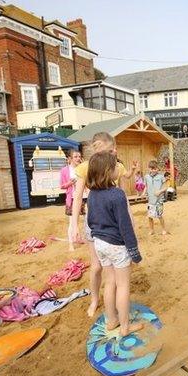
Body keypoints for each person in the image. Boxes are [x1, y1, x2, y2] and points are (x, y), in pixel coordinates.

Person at [72, 132, 137, 317]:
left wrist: (131, 224)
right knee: (97, 266)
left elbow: (122, 198)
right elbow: (77, 197)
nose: (114, 152)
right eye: (110, 149)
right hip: (95, 221)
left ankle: (114, 306)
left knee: (112, 273)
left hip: (113, 222)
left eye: (114, 149)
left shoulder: (116, 166)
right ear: (98, 147)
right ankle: (94, 299)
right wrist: (73, 225)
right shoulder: (86, 167)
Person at [86, 151, 143, 337]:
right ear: (108, 171)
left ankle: (112, 321)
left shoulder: (93, 194)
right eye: (116, 165)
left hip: (99, 243)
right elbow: (125, 227)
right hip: (117, 246)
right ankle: (125, 327)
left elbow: (90, 221)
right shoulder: (117, 195)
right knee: (123, 285)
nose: (119, 167)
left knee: (109, 283)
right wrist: (135, 252)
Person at [60, 149, 82, 251]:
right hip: (72, 199)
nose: (78, 158)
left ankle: (84, 239)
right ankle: (71, 244)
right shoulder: (64, 170)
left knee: (87, 221)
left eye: (79, 156)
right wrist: (70, 183)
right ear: (69, 159)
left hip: (84, 197)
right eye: (75, 157)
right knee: (72, 222)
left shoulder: (82, 168)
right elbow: (62, 186)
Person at [142, 160, 167, 235]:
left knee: (159, 215)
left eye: (155, 169)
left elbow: (166, 187)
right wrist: (143, 193)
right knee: (150, 216)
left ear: (157, 168)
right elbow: (146, 186)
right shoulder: (146, 177)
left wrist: (160, 191)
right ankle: (151, 230)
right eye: (151, 169)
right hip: (151, 200)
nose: (153, 170)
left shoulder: (161, 177)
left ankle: (163, 229)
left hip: (159, 200)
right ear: (149, 169)